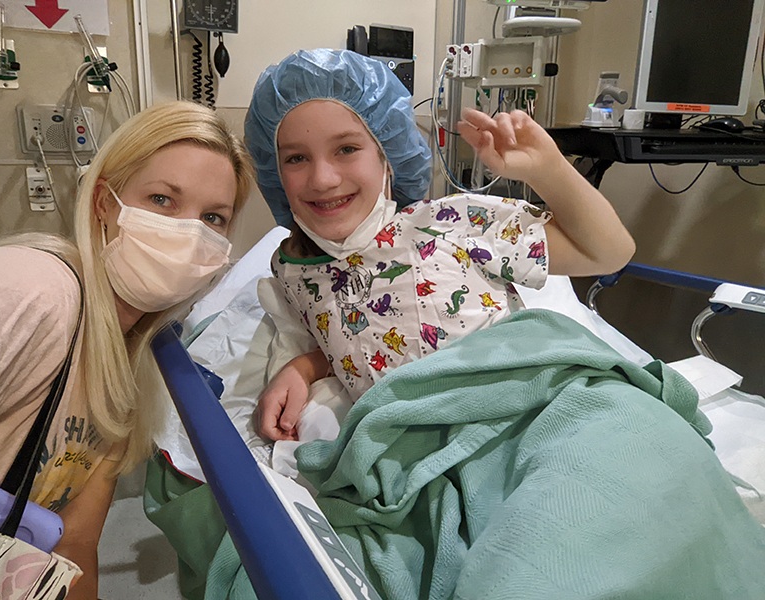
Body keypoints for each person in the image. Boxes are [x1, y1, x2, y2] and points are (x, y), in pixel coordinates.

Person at [244, 49, 636, 442]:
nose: (323, 178)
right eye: (296, 158)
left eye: (346, 149)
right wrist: (302, 369)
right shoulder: (293, 270)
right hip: (436, 453)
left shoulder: (450, 222)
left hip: (543, 413)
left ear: (387, 156)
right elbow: (347, 344)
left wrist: (547, 169)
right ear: (275, 174)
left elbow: (607, 253)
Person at [0, 100, 253, 600]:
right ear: (104, 202)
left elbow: (74, 547)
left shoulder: (129, 371)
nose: (189, 235)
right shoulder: (37, 294)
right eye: (162, 200)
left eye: (213, 217)